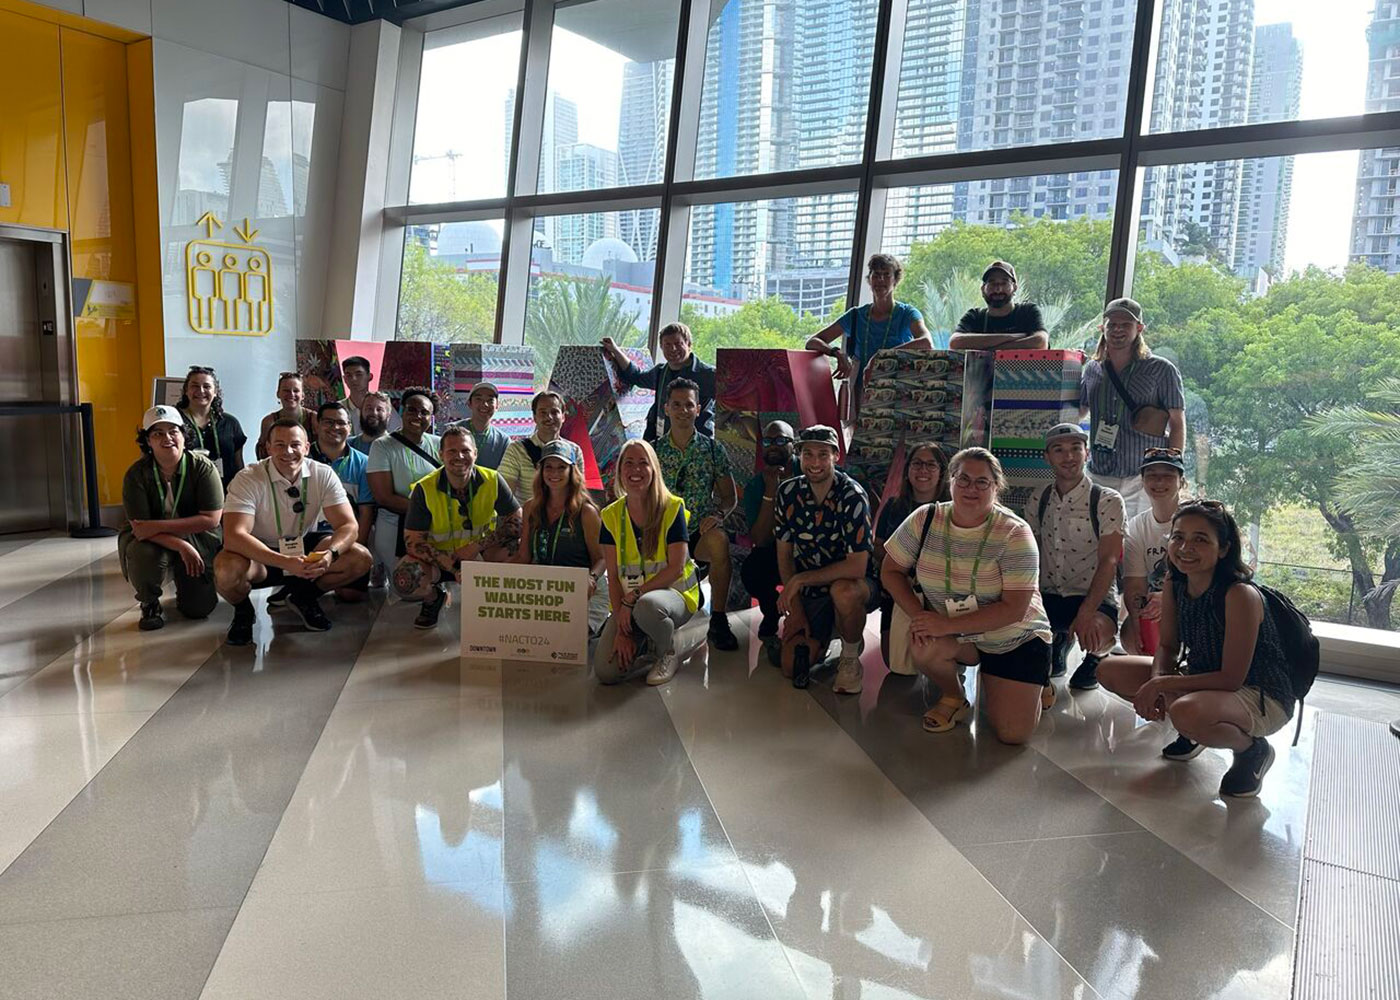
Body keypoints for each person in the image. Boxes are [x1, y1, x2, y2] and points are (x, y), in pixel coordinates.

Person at [1096, 500, 1296, 798]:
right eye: (1178, 537)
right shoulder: (1176, 583)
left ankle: (1251, 750)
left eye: (1200, 539)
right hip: (1204, 679)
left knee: (1185, 711)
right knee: (1109, 670)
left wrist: (1165, 683)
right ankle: (1195, 729)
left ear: (1224, 548)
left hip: (1260, 692)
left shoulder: (1239, 594)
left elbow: (1231, 679)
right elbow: (1167, 645)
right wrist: (1158, 681)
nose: (1186, 547)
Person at [879, 448, 1054, 744]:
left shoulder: (1014, 532)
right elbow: (890, 571)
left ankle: (1035, 679)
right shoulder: (926, 518)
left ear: (996, 487)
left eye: (982, 482)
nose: (970, 488)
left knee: (1013, 735)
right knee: (924, 645)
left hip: (1011, 636)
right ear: (950, 482)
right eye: (963, 479)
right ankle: (954, 696)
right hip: (957, 634)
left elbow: (1015, 609)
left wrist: (944, 626)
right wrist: (921, 617)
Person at [216, 419, 372, 645]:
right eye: (279, 445)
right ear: (268, 448)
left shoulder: (323, 474)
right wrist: (284, 562)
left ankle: (303, 597)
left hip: (303, 548)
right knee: (226, 571)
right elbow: (234, 536)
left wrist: (330, 555)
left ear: (307, 447)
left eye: (295, 445)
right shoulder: (248, 478)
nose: (288, 451)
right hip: (259, 553)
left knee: (360, 558)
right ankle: (243, 612)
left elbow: (349, 526)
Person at [774, 425, 881, 695]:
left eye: (823, 454)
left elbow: (857, 566)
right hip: (811, 590)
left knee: (843, 592)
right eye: (808, 454)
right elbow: (784, 555)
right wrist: (796, 608)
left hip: (856, 583)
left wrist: (800, 579)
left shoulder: (852, 496)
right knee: (790, 666)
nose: (815, 462)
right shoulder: (788, 493)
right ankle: (830, 632)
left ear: (836, 456)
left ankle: (850, 654)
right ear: (799, 455)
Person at [1023, 424, 1124, 696]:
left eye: (1075, 449)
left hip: (1091, 596)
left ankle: (1095, 658)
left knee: (1094, 633)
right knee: (1019, 641)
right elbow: (1029, 554)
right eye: (1059, 450)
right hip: (1049, 594)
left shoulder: (1106, 499)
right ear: (1047, 457)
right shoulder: (1039, 497)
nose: (1068, 457)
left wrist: (1087, 611)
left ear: (1087, 453)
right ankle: (1058, 642)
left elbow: (1109, 560)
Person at [594, 440, 701, 686]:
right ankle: (646, 639)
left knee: (648, 606)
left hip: (674, 598)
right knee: (606, 672)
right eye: (628, 463)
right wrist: (622, 630)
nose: (636, 470)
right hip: (632, 603)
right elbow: (612, 575)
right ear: (620, 471)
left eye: (643, 463)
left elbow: (675, 567)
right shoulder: (610, 516)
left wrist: (632, 599)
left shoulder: (672, 508)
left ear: (654, 469)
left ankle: (668, 651)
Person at [397, 424, 522, 630]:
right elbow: (414, 543)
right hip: (442, 559)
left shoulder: (492, 479)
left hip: (480, 554)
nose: (459, 457)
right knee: (405, 576)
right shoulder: (424, 488)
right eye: (452, 451)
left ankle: (497, 601)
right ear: (441, 455)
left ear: (475, 453)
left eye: (465, 451)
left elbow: (517, 522)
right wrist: (453, 567)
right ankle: (433, 599)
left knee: (519, 549)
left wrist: (476, 547)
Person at [120, 405, 224, 631]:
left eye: (173, 431)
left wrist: (159, 528)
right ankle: (149, 602)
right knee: (141, 551)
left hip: (196, 536)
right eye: (157, 433)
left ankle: (189, 584)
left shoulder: (203, 468)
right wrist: (180, 546)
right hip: (154, 541)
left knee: (198, 610)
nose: (167, 438)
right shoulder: (136, 475)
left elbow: (211, 519)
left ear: (184, 436)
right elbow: (139, 530)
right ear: (148, 440)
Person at [654, 378, 740, 651]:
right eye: (676, 405)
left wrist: (717, 514)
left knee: (720, 542)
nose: (682, 410)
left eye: (688, 405)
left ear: (698, 409)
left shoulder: (713, 450)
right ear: (666, 408)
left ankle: (718, 619)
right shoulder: (652, 451)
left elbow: (729, 497)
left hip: (699, 532)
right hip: (664, 533)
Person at [1080, 298, 1186, 520]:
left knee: (1136, 543)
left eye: (1126, 324)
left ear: (1139, 328)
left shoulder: (1161, 370)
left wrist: (1174, 468)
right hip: (1099, 473)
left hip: (1141, 476)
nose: (1118, 330)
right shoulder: (1092, 368)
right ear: (1103, 328)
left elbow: (1177, 423)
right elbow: (1079, 411)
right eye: (1112, 324)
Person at [805, 254, 933, 406]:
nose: (880, 280)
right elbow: (812, 342)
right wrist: (837, 353)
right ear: (869, 279)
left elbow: (926, 343)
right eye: (876, 275)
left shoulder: (907, 313)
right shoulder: (856, 315)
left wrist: (879, 358)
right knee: (854, 428)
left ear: (895, 280)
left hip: (897, 391)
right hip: (861, 390)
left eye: (886, 275)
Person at [513, 440, 609, 633]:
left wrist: (591, 578)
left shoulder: (586, 512)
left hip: (582, 590)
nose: (554, 473)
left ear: (571, 471)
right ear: (541, 471)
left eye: (561, 467)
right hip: (546, 588)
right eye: (548, 467)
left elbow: (601, 558)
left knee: (567, 639)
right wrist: (485, 574)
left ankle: (600, 627)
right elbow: (524, 557)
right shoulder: (531, 508)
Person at [875, 442, 949, 670]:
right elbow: (878, 548)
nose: (923, 470)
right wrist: (901, 576)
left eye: (930, 465)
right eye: (917, 464)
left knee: (940, 659)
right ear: (907, 470)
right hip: (899, 590)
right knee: (895, 662)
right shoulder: (894, 507)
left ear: (942, 472)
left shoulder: (952, 509)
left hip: (941, 593)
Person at [739, 420, 800, 665]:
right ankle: (770, 610)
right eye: (767, 441)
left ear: (793, 445)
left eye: (780, 440)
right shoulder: (755, 485)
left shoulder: (807, 472)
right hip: (772, 551)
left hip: (807, 552)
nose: (773, 446)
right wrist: (771, 491)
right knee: (752, 570)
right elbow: (760, 538)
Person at [367, 386, 443, 574]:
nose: (417, 416)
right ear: (401, 410)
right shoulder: (382, 446)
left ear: (431, 417)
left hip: (435, 527)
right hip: (395, 528)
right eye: (412, 409)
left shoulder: (440, 443)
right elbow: (383, 497)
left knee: (432, 578)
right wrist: (430, 511)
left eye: (424, 412)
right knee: (406, 584)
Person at [1121, 447, 1187, 657]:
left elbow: (1215, 578)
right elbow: (1135, 584)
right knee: (1130, 633)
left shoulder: (1199, 519)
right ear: (1143, 482)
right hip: (1155, 606)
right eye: (1152, 476)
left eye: (1168, 476)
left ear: (1182, 482)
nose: (1159, 483)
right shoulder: (1136, 527)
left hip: (1195, 604)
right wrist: (1136, 619)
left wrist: (1170, 598)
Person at [602, 322, 716, 442]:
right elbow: (635, 376)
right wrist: (614, 350)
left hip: (698, 446)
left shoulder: (708, 375)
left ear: (689, 344)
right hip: (662, 443)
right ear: (661, 347)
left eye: (678, 344)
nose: (673, 349)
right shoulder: (661, 372)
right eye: (667, 344)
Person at [307, 400, 374, 602]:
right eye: (328, 422)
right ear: (316, 425)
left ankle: (306, 592)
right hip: (308, 536)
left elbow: (366, 512)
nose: (335, 428)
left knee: (351, 595)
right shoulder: (301, 457)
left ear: (350, 427)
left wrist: (355, 548)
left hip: (343, 537)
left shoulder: (363, 463)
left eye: (341, 423)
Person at [496, 391, 584, 503]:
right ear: (534, 417)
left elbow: (578, 492)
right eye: (543, 412)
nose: (549, 417)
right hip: (527, 517)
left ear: (563, 417)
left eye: (554, 412)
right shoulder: (516, 450)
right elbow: (505, 495)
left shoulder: (574, 451)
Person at [949, 261, 1050, 350]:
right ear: (983, 289)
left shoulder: (1028, 311)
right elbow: (955, 342)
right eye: (992, 283)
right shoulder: (975, 316)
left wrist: (989, 350)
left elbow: (1040, 342)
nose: (998, 289)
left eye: (1004, 283)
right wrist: (1015, 337)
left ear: (1014, 288)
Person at [176, 365, 247, 488]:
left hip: (226, 493)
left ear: (215, 392)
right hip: (186, 492)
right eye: (195, 386)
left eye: (207, 386)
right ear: (186, 391)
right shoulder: (175, 422)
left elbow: (239, 465)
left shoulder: (230, 423)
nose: (201, 391)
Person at [255, 371, 317, 459]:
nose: (291, 394)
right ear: (278, 394)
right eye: (286, 390)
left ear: (303, 395)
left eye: (296, 391)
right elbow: (263, 455)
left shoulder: (314, 419)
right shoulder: (269, 422)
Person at [340, 355, 400, 437]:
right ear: (344, 379)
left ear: (370, 376)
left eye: (359, 374)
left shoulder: (383, 407)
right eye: (349, 375)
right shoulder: (339, 408)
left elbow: (397, 433)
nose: (353, 379)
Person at [465, 382, 510, 470]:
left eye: (490, 400)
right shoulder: (452, 431)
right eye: (478, 399)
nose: (485, 404)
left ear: (497, 406)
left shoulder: (503, 441)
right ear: (469, 404)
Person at [350, 390, 393, 456]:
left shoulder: (396, 446)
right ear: (360, 413)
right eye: (369, 408)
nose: (374, 413)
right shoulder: (347, 445)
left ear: (388, 415)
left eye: (379, 409)